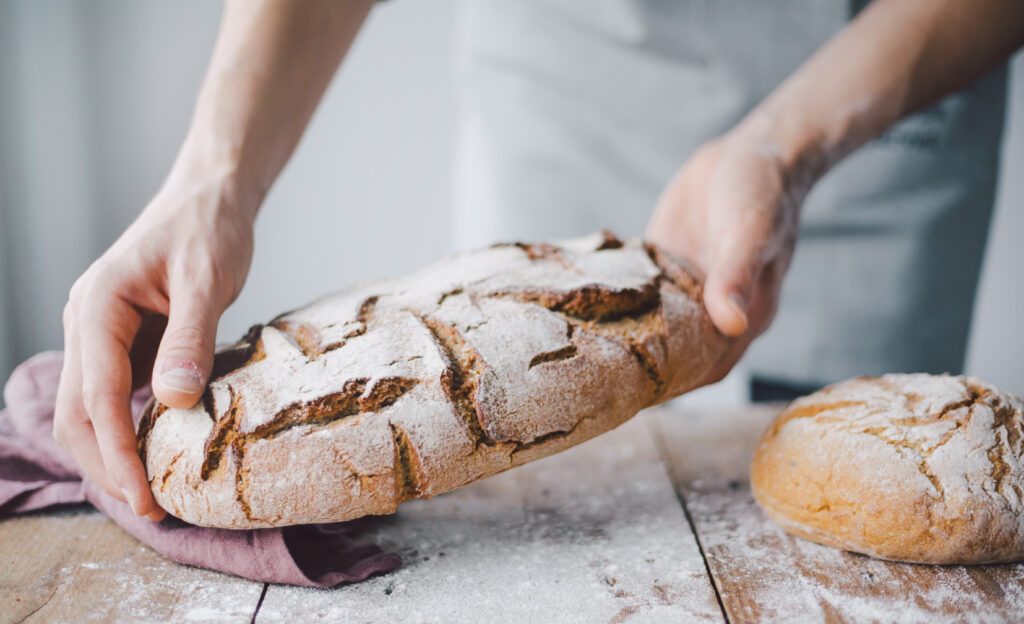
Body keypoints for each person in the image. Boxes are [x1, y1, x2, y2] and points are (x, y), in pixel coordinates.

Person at [53, 0, 1024, 521]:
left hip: (869, 111)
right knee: (512, 429)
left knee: (865, 505)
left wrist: (782, 146)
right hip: (564, 101)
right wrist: (214, 176)